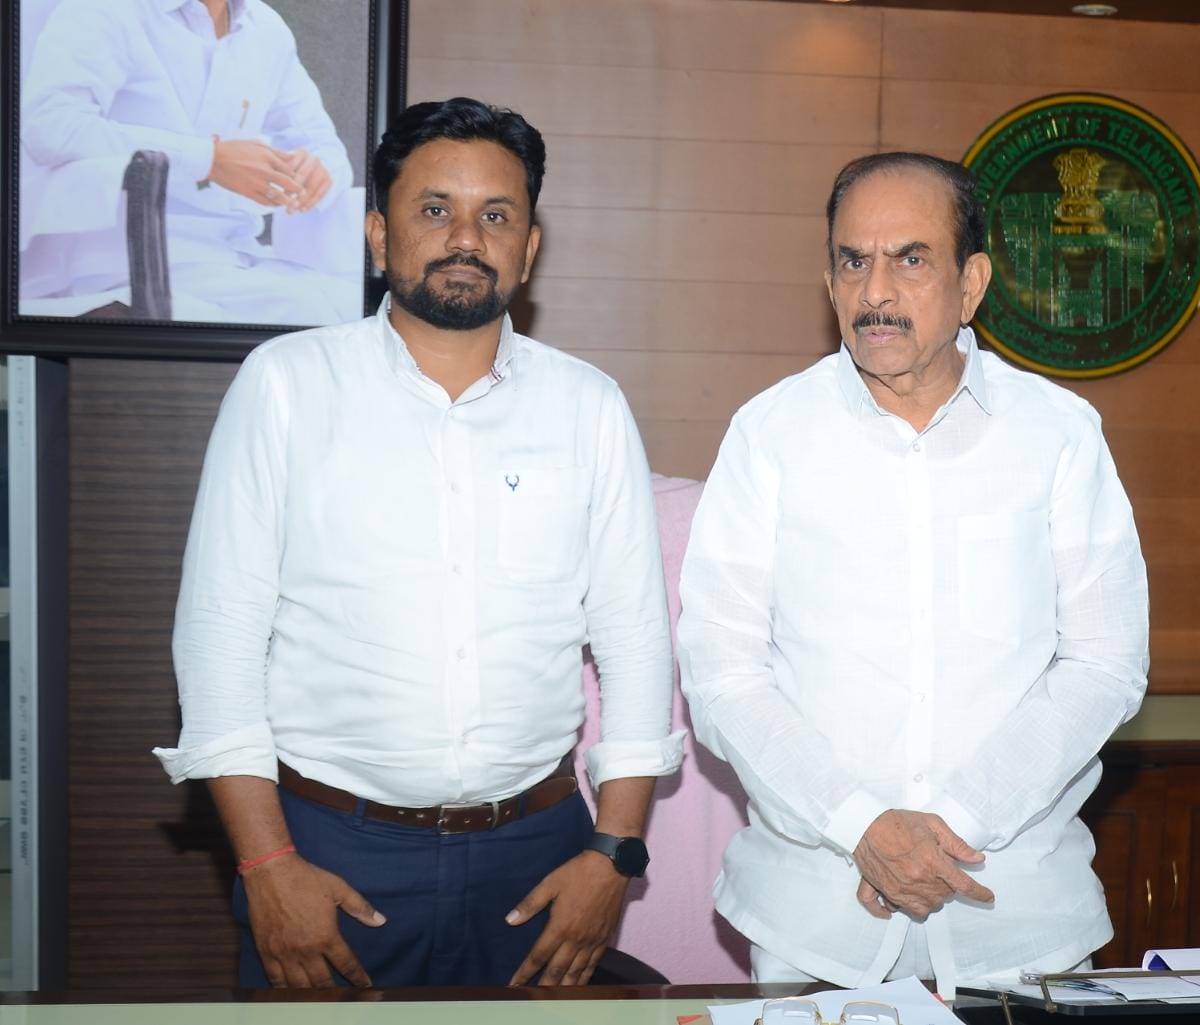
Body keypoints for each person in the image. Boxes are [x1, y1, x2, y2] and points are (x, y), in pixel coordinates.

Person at [154, 96, 683, 989]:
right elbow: (218, 642)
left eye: (496, 216)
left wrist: (614, 856)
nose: (466, 237)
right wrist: (267, 865)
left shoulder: (587, 405)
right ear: (378, 235)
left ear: (529, 248)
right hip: (327, 849)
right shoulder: (286, 386)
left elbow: (635, 643)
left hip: (539, 858)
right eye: (435, 209)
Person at [677, 152, 1149, 998]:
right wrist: (861, 825)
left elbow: (1105, 663)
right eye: (853, 261)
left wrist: (954, 826)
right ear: (828, 281)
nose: (875, 291)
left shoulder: (1058, 433)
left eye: (911, 259)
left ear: (972, 284)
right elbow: (721, 669)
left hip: (1019, 910)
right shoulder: (768, 434)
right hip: (817, 915)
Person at [19, 0, 361, 324]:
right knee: (306, 316)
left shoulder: (266, 28)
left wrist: (316, 172)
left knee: (356, 310)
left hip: (235, 255)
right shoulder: (108, 9)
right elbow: (50, 127)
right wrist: (208, 159)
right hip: (122, 263)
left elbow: (325, 147)